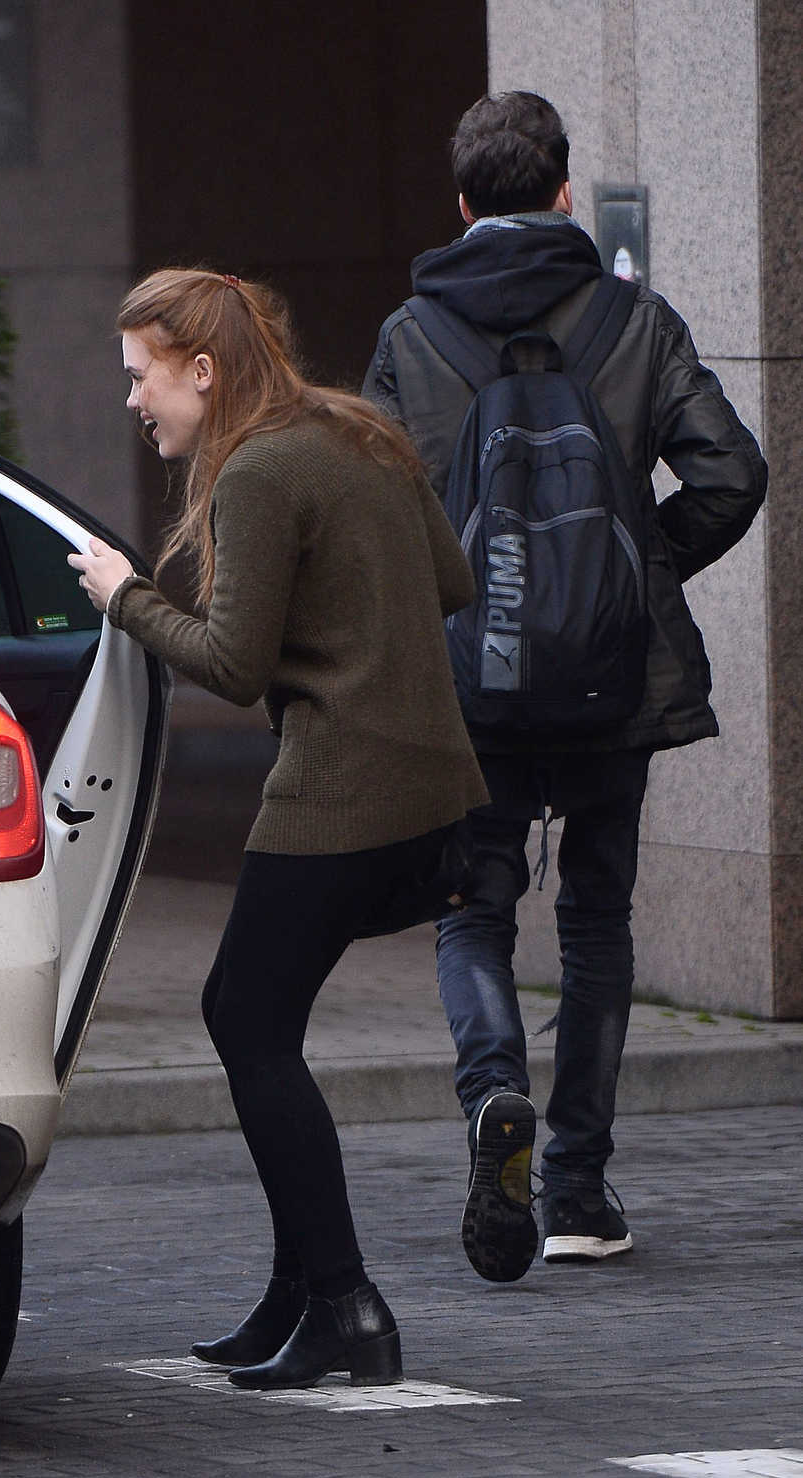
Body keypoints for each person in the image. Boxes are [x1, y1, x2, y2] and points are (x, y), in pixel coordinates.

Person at [363, 91, 768, 1279]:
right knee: (596, 922)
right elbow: (730, 472)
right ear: (560, 191)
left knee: (471, 909)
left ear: (459, 201)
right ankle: (579, 1190)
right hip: (608, 686)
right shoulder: (634, 321)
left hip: (468, 687)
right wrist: (630, 575)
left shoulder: (409, 336)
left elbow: (383, 519)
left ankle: (496, 1095)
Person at [69, 267, 487, 1390]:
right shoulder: (357, 430)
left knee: (243, 1016)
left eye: (141, 376)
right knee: (256, 1015)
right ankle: (298, 1292)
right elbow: (449, 578)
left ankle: (346, 1301)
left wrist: (122, 593)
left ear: (201, 370)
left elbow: (230, 661)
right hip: (431, 786)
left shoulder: (255, 467)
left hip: (342, 786)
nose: (133, 400)